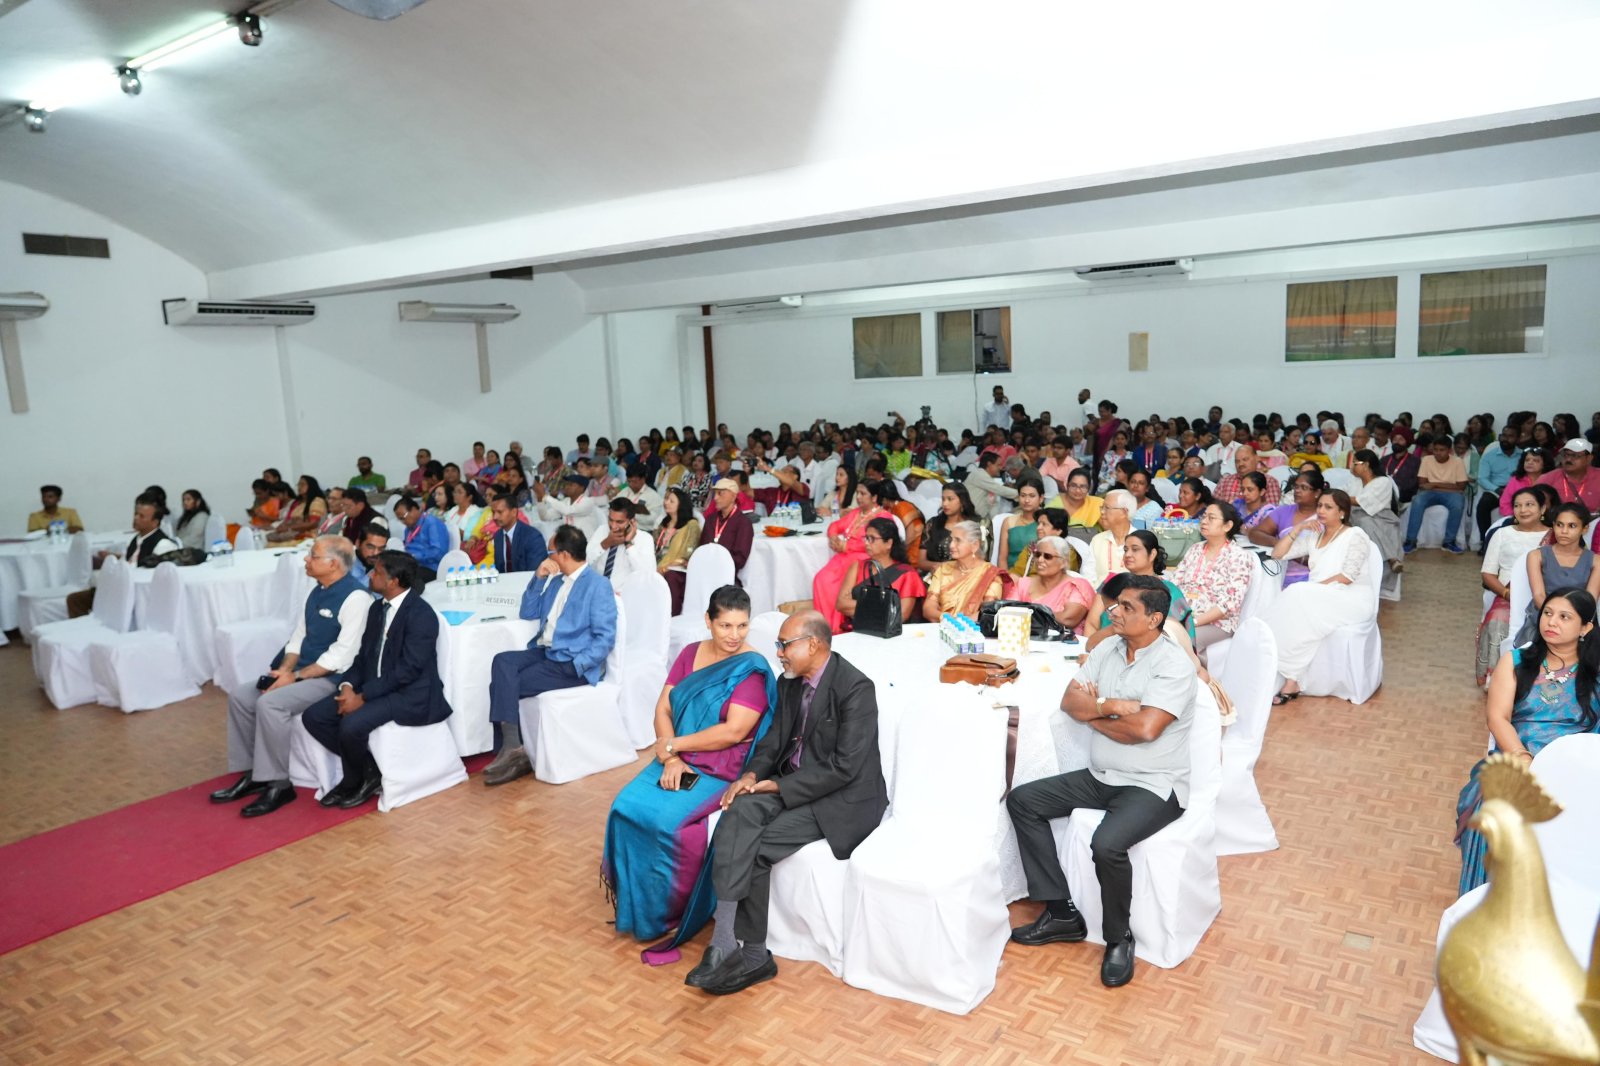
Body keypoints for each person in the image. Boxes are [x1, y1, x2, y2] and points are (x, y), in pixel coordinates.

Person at [1007, 574, 1198, 988]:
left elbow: (1146, 730)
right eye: (1117, 604)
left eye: (1128, 607)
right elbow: (1068, 701)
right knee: (1023, 800)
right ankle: (1061, 913)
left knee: (1107, 844)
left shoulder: (1173, 665)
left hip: (1153, 784)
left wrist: (1094, 716)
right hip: (1102, 776)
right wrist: (1108, 707)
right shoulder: (1109, 647)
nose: (1114, 612)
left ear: (1155, 619)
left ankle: (1118, 938)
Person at [688, 611, 887, 995]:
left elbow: (844, 769)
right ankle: (724, 943)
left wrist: (777, 789)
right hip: (790, 784)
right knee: (738, 810)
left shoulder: (856, 689)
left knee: (757, 847)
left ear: (813, 644)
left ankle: (752, 954)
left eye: (784, 645)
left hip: (839, 800)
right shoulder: (790, 683)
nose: (778, 653)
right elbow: (772, 743)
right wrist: (749, 777)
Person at [602, 586, 777, 945]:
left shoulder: (751, 668)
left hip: (719, 769)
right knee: (624, 808)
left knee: (668, 824)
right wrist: (670, 758)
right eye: (725, 625)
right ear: (708, 621)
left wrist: (672, 745)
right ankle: (636, 905)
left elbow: (734, 731)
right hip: (677, 758)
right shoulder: (690, 654)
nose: (734, 635)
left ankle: (670, 911)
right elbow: (663, 709)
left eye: (742, 626)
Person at [211, 536, 371, 817]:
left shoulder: (357, 598)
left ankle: (279, 783)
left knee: (270, 704)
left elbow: (342, 657)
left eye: (313, 556)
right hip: (301, 672)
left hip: (331, 679)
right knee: (240, 696)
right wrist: (285, 669)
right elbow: (297, 639)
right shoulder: (317, 591)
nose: (306, 560)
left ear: (333, 564)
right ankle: (254, 774)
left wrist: (294, 678)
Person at [1456, 587, 1600, 893]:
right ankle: (1489, 899)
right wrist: (1525, 760)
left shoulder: (1595, 672)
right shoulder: (1517, 661)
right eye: (1548, 613)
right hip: (1518, 759)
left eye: (1565, 617)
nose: (1552, 622)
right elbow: (1497, 718)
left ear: (1586, 627)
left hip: (1578, 766)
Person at [300, 551, 452, 809]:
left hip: (409, 694)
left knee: (351, 725)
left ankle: (352, 781)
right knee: (314, 716)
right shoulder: (376, 608)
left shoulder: (420, 614)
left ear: (393, 581)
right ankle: (369, 771)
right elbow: (362, 657)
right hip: (376, 686)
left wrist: (363, 697)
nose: (370, 575)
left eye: (377, 572)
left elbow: (408, 671)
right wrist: (347, 687)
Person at [482, 525, 619, 787]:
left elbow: (605, 638)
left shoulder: (598, 585)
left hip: (571, 662)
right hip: (546, 652)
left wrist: (579, 665)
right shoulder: (556, 581)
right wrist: (539, 576)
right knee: (502, 661)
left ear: (564, 555)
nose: (548, 557)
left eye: (551, 552)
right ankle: (513, 749)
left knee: (503, 684)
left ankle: (511, 751)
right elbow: (527, 611)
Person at [1263, 490, 1377, 705]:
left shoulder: (1356, 535)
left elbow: (1347, 577)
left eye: (1328, 507)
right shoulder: (1314, 536)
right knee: (1296, 609)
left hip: (1352, 599)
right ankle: (1290, 679)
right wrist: (1298, 529)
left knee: (1297, 593)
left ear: (1342, 513)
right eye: (1320, 506)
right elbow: (1277, 554)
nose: (1321, 511)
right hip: (1320, 596)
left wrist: (1311, 591)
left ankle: (1274, 662)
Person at [1476, 488, 1552, 684]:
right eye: (1517, 505)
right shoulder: (1502, 534)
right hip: (1506, 594)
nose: (1523, 510)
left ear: (1542, 508)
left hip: (1546, 595)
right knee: (1498, 619)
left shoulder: (1553, 536)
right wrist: (1506, 593)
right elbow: (1488, 573)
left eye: (1529, 505)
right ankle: (1495, 676)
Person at [1082, 531, 1195, 653]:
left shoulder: (1167, 591)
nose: (1128, 554)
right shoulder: (1112, 583)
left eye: (1135, 549)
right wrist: (1090, 655)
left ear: (1152, 554)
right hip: (1101, 650)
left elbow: (1170, 634)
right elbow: (1092, 624)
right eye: (1126, 550)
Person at [1171, 502, 1253, 660]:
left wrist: (1194, 622)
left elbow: (1230, 604)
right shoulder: (1195, 548)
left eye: (1211, 518)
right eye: (1203, 516)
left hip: (1216, 623)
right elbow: (1175, 583)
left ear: (1227, 526)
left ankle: (1201, 678)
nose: (1204, 521)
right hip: (1182, 615)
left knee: (1180, 640)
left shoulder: (1238, 556)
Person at [1513, 502, 1600, 646]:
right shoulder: (1536, 556)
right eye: (1559, 525)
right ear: (1553, 526)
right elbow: (1539, 596)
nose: (1564, 531)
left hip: (1579, 621)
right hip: (1543, 619)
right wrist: (1556, 618)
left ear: (1584, 529)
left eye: (1572, 526)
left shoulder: (1596, 561)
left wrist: (1570, 620)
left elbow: (1589, 600)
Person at [811, 480, 889, 632]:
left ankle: (837, 628)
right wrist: (833, 537)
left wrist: (847, 546)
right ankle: (825, 627)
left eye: (863, 494)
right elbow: (834, 525)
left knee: (836, 586)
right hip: (843, 558)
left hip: (863, 559)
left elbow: (878, 544)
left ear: (874, 497)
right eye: (857, 493)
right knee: (821, 579)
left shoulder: (883, 517)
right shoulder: (856, 513)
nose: (858, 497)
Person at [835, 517, 927, 632]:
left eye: (872, 539)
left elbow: (901, 615)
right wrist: (884, 607)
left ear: (889, 543)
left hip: (889, 635)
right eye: (866, 538)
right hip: (856, 630)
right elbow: (841, 604)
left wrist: (858, 608)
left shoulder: (907, 574)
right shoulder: (857, 567)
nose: (867, 543)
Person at [1248, 469, 1324, 586]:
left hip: (1315, 576)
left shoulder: (1325, 517)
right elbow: (1255, 533)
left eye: (1303, 488)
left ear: (1317, 493)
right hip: (1280, 574)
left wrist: (1295, 554)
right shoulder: (1284, 511)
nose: (1297, 491)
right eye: (1296, 487)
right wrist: (1280, 543)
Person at [921, 520, 1004, 620]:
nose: (951, 545)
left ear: (975, 545)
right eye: (951, 539)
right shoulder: (943, 570)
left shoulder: (991, 574)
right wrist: (945, 618)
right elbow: (928, 608)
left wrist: (958, 623)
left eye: (958, 540)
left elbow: (987, 613)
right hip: (942, 629)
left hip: (973, 631)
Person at [1012, 535, 1095, 633]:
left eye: (1048, 556)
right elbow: (1008, 612)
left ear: (1063, 562)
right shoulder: (1023, 583)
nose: (1040, 560)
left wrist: (1028, 612)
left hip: (1064, 644)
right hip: (1023, 639)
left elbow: (1067, 619)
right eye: (1038, 555)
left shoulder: (1077, 586)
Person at [1402, 436, 1469, 555]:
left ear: (1449, 450)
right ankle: (1410, 541)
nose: (1438, 453)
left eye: (1442, 450)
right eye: (1435, 449)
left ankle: (1449, 542)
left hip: (1450, 494)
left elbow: (1461, 486)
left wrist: (1434, 484)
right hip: (1431, 493)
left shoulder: (1457, 462)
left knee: (1458, 504)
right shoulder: (1427, 460)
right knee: (1417, 501)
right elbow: (1422, 484)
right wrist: (1444, 486)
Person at [1349, 449, 1402, 569]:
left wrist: (1341, 498)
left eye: (1355, 463)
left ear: (1366, 464)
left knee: (1365, 521)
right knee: (1362, 519)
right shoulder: (1354, 481)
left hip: (1381, 517)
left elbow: (1361, 502)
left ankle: (1391, 559)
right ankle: (1392, 558)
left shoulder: (1383, 481)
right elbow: (1342, 493)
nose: (1351, 466)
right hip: (1357, 515)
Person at [588, 499, 656, 591]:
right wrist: (605, 544)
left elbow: (648, 574)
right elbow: (585, 562)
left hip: (625, 596)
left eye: (619, 522)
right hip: (598, 591)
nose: (613, 526)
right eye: (610, 520)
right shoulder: (602, 530)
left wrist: (629, 544)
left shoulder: (645, 539)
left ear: (632, 521)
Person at [654, 487, 702, 615]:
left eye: (671, 501)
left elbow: (688, 555)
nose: (666, 503)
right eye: (665, 499)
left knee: (671, 577)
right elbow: (655, 548)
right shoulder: (663, 524)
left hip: (677, 569)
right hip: (658, 565)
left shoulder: (691, 525)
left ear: (681, 504)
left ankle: (671, 616)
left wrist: (665, 567)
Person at [918, 482, 981, 574]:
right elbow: (921, 562)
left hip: (969, 576)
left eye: (950, 499)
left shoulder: (976, 525)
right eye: (943, 499)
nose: (945, 503)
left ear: (962, 501)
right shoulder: (933, 524)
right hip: (937, 575)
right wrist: (943, 567)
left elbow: (983, 559)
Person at [702, 478, 755, 579]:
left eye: (720, 493)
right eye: (715, 494)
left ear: (733, 496)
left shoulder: (743, 523)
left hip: (727, 575)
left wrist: (717, 564)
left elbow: (740, 559)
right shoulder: (711, 520)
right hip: (705, 571)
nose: (716, 498)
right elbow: (702, 548)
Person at [485, 492, 547, 574]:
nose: (495, 517)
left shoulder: (532, 537)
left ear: (514, 512)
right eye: (493, 512)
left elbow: (535, 573)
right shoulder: (498, 536)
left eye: (500, 512)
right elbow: (499, 570)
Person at [393, 496, 447, 583]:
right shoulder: (409, 528)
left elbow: (438, 552)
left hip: (430, 567)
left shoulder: (432, 523)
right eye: (399, 519)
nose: (403, 522)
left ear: (414, 509)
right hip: (412, 565)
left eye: (403, 517)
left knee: (401, 580)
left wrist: (414, 556)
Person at [1538, 438, 1600, 512]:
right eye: (1566, 455)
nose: (1569, 459)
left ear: (1589, 458)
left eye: (1575, 455)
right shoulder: (1548, 478)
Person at [1087, 489, 1137, 581]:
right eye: (1102, 507)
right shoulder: (1097, 540)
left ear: (1124, 512)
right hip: (1099, 594)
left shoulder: (1141, 541)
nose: (1102, 512)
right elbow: (1088, 576)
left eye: (1107, 508)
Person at [1000, 479, 1046, 572]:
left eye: (1032, 496)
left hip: (1038, 574)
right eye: (1023, 495)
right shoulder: (1009, 522)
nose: (1027, 500)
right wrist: (1006, 580)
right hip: (1012, 574)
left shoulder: (1047, 522)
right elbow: (1002, 558)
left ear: (1041, 498)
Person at [1214, 445, 1281, 509]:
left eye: (1245, 459)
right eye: (1237, 461)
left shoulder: (1269, 482)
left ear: (1257, 458)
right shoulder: (1225, 481)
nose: (1241, 464)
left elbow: (1271, 513)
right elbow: (1213, 507)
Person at [534, 472, 601, 535]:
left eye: (571, 484)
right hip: (570, 541)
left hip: (586, 542)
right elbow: (545, 517)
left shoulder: (587, 501)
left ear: (581, 488)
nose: (567, 487)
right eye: (566, 484)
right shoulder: (565, 501)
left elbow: (568, 511)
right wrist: (540, 499)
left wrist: (545, 496)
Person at [268, 476, 328, 544]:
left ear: (311, 486)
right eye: (298, 484)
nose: (299, 487)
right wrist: (284, 525)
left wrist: (289, 528)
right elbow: (294, 519)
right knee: (269, 538)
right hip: (296, 532)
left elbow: (313, 524)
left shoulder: (317, 501)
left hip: (309, 536)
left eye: (302, 484)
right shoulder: (300, 502)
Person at [964, 451, 1018, 521]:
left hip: (977, 517)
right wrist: (1022, 493)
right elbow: (999, 489)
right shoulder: (979, 475)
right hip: (972, 518)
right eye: (998, 465)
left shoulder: (982, 475)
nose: (1001, 468)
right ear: (989, 464)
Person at [1499, 447, 1551, 518]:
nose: (1530, 463)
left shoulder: (1551, 480)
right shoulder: (1515, 480)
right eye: (1527, 460)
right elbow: (1504, 504)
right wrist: (1517, 516)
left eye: (1535, 460)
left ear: (1544, 464)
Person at [617, 463, 665, 531]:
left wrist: (631, 515)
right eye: (629, 481)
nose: (631, 485)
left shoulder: (653, 496)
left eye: (634, 482)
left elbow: (654, 519)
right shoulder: (625, 491)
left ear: (643, 479)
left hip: (642, 531)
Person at [1055, 467, 1104, 534]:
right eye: (1073, 485)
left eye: (1083, 486)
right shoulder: (1054, 502)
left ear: (1089, 488)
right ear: (1067, 486)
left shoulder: (1097, 504)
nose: (1078, 490)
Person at [1381, 426, 1422, 503]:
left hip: (1404, 497)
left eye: (1401, 439)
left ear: (1407, 442)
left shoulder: (1415, 461)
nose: (1397, 442)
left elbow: (1413, 485)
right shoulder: (1384, 460)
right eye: (1395, 439)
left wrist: (1395, 490)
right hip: (1383, 494)